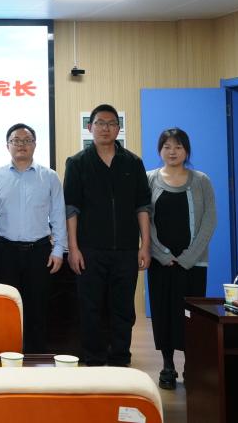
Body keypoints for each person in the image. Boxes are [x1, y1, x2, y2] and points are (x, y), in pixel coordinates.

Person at [64, 103, 151, 367]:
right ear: (90, 127)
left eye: (111, 123)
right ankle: (94, 359)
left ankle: (120, 359)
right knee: (90, 308)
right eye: (100, 123)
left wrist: (145, 246)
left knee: (123, 308)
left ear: (118, 128)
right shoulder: (77, 163)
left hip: (126, 249)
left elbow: (142, 207)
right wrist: (73, 248)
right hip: (90, 249)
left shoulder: (133, 163)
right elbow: (71, 209)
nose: (105, 128)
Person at [0, 123, 67, 353]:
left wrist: (58, 250)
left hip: (39, 251)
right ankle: (7, 356)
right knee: (6, 307)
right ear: (7, 145)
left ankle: (35, 358)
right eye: (16, 141)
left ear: (35, 145)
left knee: (37, 308)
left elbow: (58, 214)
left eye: (27, 140)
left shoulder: (49, 177)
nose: (21, 145)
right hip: (5, 251)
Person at [147, 127, 216, 390]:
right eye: (167, 146)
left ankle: (191, 364)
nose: (172, 151)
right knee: (163, 312)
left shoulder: (201, 180)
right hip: (160, 261)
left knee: (189, 315)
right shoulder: (150, 179)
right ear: (160, 150)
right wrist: (161, 254)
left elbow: (210, 220)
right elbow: (144, 220)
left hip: (192, 262)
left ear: (186, 150)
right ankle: (167, 365)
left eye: (178, 146)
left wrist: (188, 256)